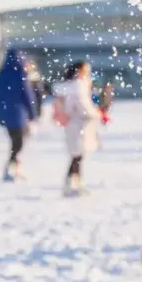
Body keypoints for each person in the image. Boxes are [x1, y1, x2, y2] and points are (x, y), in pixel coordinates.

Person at [0, 49, 38, 181]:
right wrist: (33, 113)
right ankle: (11, 168)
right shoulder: (20, 75)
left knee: (15, 141)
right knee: (18, 142)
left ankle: (14, 168)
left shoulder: (0, 75)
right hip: (18, 114)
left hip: (5, 113)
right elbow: (28, 95)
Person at [53, 61, 99, 195]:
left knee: (76, 155)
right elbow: (83, 105)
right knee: (77, 155)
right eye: (86, 70)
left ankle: (72, 183)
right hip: (79, 124)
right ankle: (73, 184)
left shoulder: (68, 87)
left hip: (73, 124)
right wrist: (96, 114)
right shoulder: (79, 86)